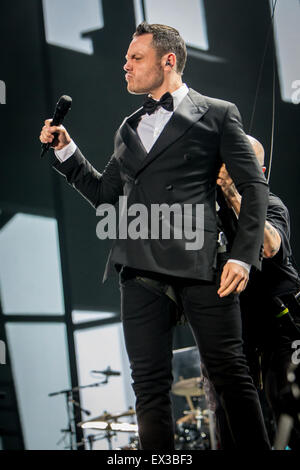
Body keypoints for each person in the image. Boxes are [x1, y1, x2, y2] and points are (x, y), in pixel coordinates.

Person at [39, 22, 271, 450]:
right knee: (148, 386)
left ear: (168, 60)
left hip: (203, 265)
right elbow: (107, 197)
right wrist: (67, 153)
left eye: (135, 58)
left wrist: (242, 255)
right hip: (139, 266)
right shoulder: (129, 126)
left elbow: (254, 187)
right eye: (127, 58)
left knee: (229, 376)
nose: (124, 65)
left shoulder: (217, 113)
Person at [216, 135, 300, 448]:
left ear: (260, 172)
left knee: (287, 403)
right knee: (232, 417)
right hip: (237, 329)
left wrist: (233, 194)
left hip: (281, 321)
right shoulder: (211, 209)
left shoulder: (272, 204)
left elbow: (269, 247)